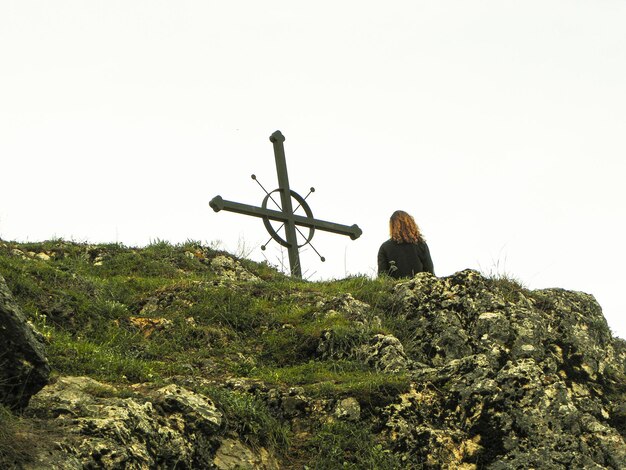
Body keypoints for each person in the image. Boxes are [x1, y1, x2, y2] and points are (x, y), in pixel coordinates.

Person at [377, 210, 434, 278]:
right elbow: (429, 271)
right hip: (419, 286)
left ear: (392, 226)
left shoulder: (385, 247)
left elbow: (382, 275)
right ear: (411, 224)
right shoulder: (420, 244)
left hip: (397, 287)